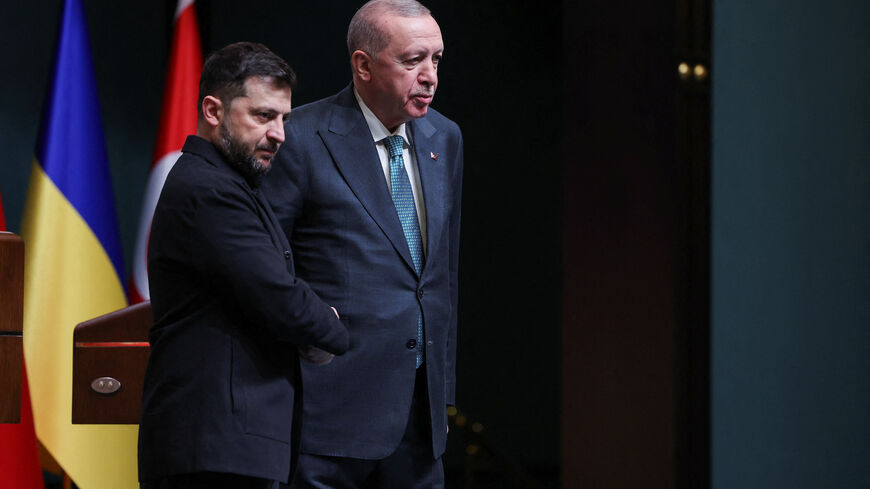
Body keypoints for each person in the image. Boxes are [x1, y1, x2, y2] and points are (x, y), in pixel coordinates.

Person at [262, 1, 463, 487]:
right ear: (363, 65)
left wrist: (443, 388)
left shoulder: (445, 138)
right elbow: (267, 270)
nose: (430, 76)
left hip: (420, 418)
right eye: (413, 60)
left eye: (436, 59)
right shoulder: (302, 138)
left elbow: (442, 275)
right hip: (328, 417)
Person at [138, 42, 349, 489]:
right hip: (213, 448)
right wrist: (330, 327)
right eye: (263, 116)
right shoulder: (210, 190)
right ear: (213, 111)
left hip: (225, 448)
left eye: (285, 119)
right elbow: (278, 294)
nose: (280, 134)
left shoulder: (230, 185)